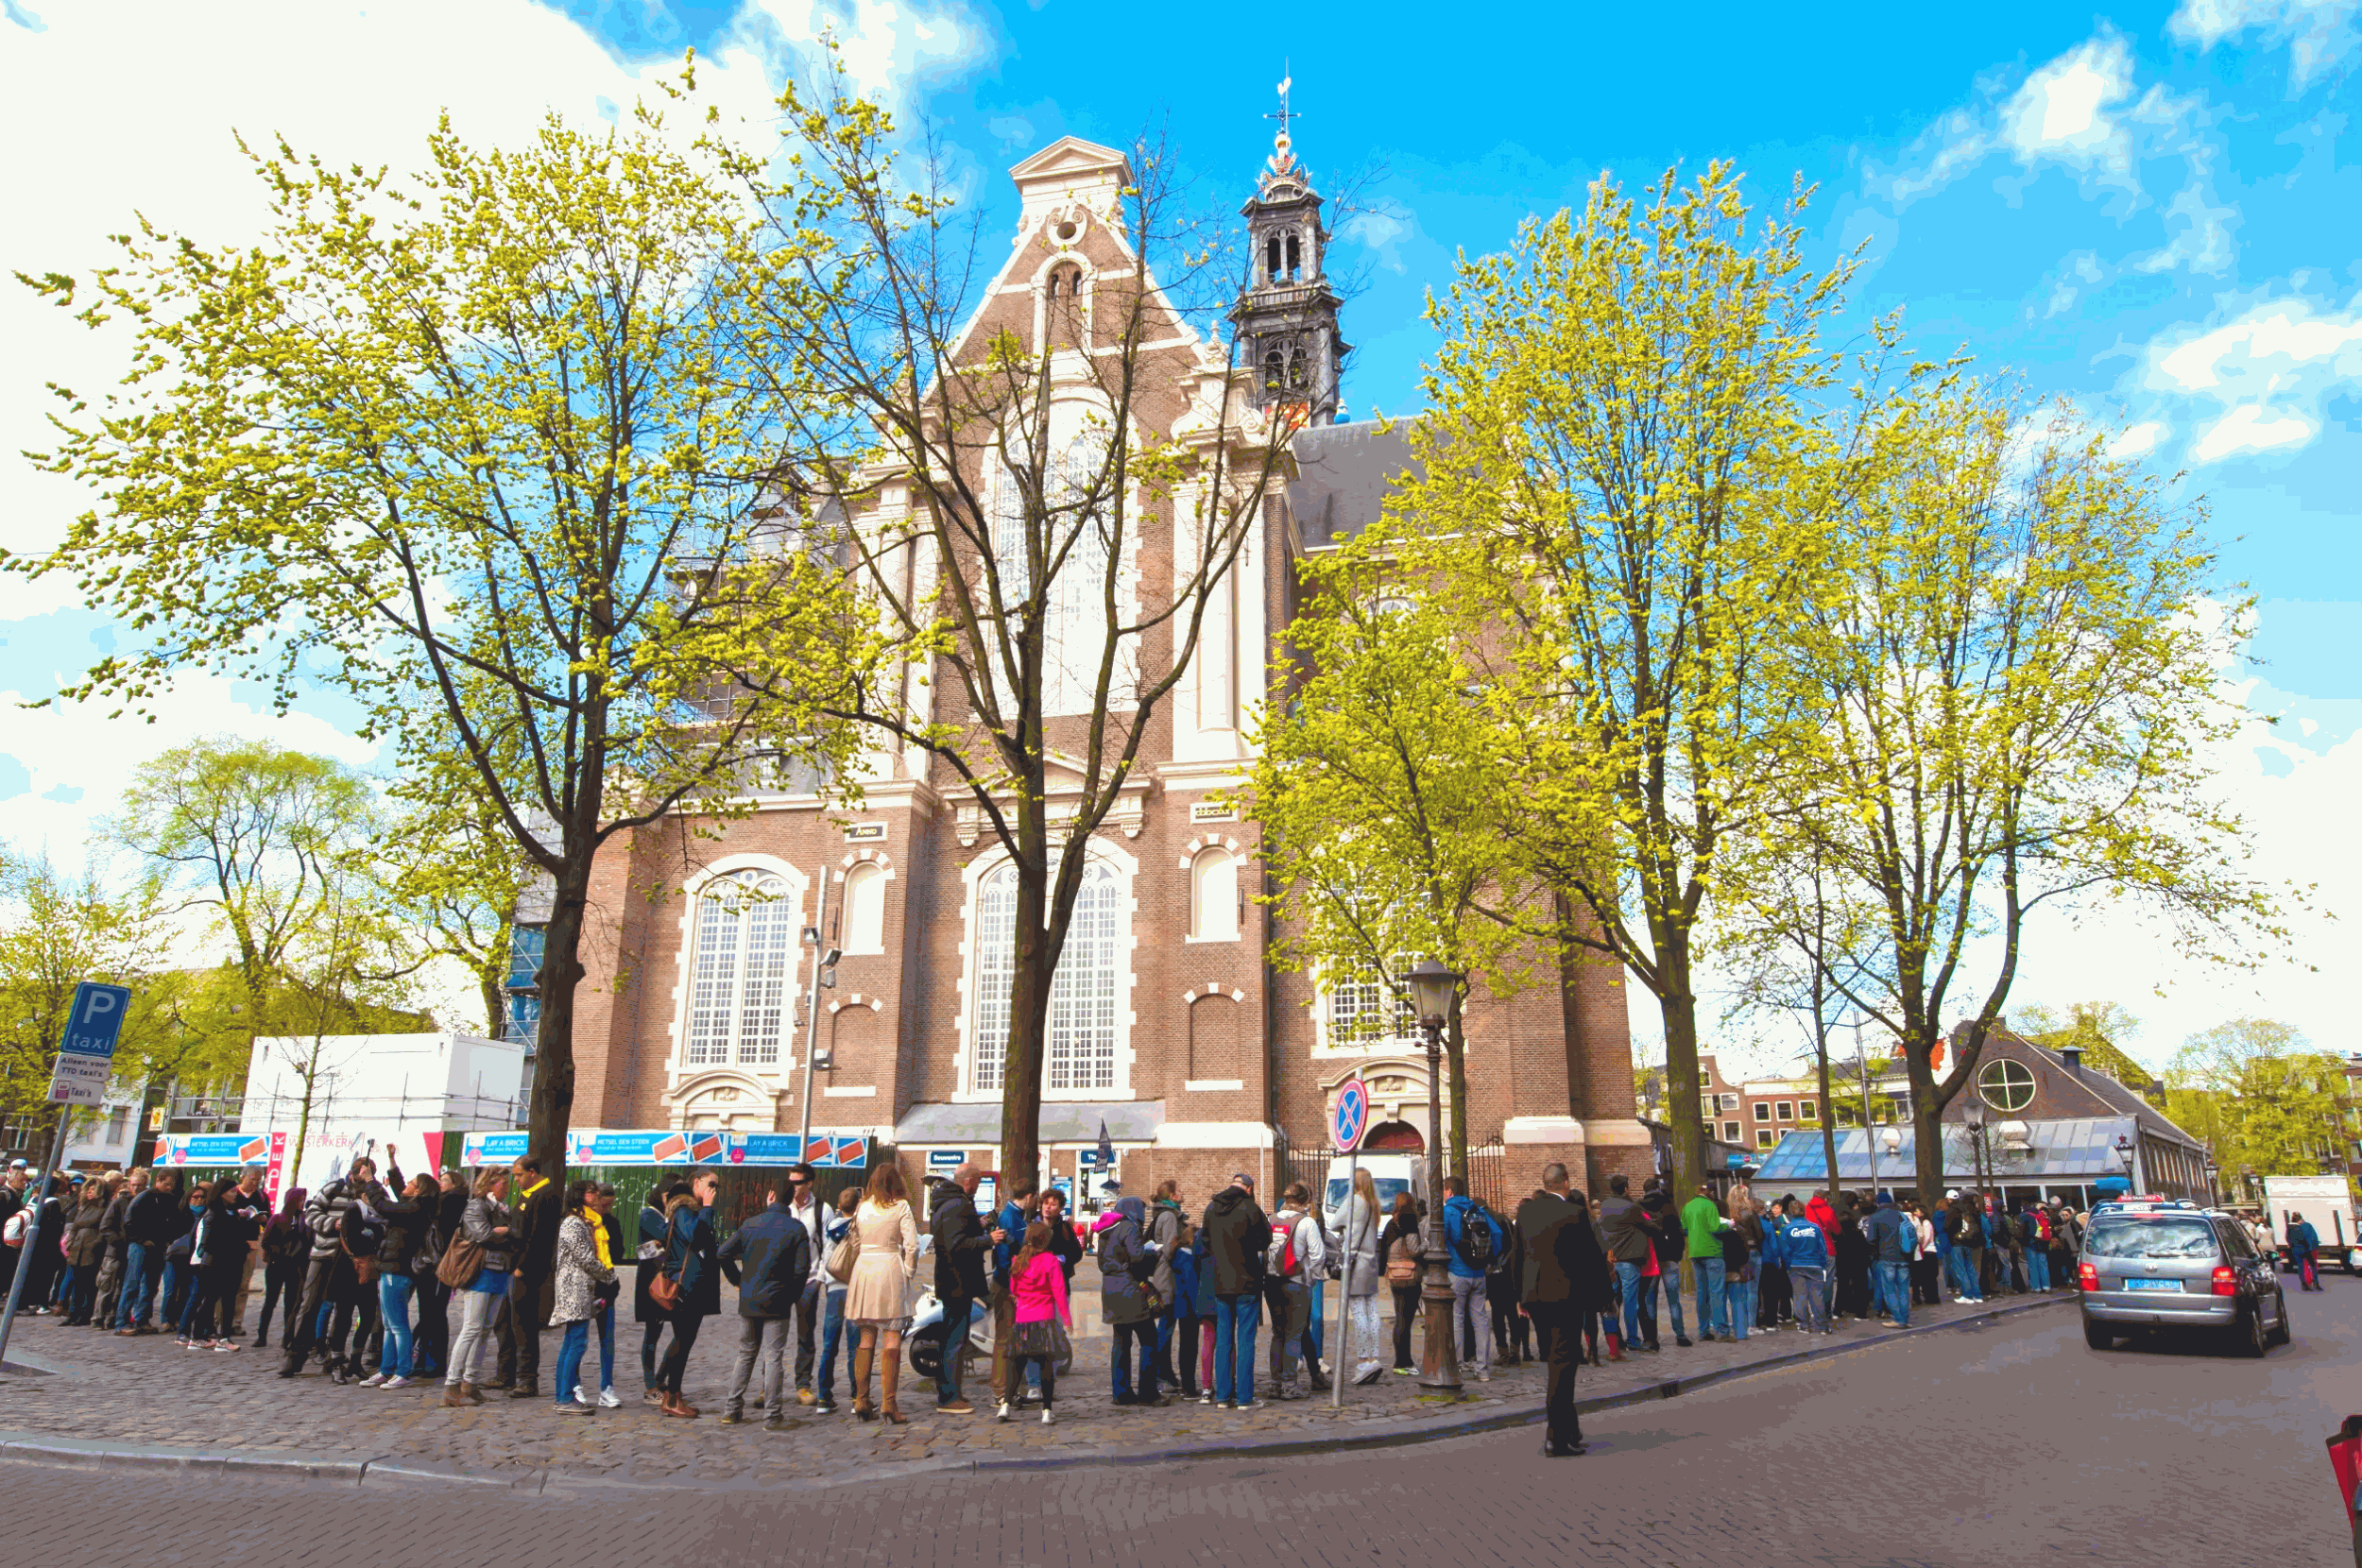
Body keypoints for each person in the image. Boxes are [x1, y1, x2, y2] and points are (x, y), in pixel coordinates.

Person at [1515, 1164, 1613, 1457]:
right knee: (1563, 1365)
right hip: (1564, 1297)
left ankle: (1570, 1429)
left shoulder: (1526, 1212)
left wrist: (1520, 1297)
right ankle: (1556, 1437)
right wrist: (1605, 1298)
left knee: (1558, 1362)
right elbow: (1590, 1258)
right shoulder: (1573, 1214)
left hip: (1535, 1297)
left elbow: (1518, 1256)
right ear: (1566, 1183)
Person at [716, 1178, 813, 1427]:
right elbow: (802, 1270)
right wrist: (791, 1295)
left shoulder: (750, 1224)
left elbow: (723, 1253)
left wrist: (737, 1281)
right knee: (773, 1357)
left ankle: (732, 1409)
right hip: (778, 1301)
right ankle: (771, 1416)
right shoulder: (796, 1228)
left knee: (746, 1354)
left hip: (749, 1299)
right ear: (791, 1198)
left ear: (770, 1195)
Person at [845, 1161, 919, 1424]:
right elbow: (912, 1245)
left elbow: (853, 1242)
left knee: (866, 1337)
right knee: (892, 1337)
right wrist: (908, 1273)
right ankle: (889, 1403)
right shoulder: (901, 1207)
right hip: (889, 1269)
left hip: (864, 1270)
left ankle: (862, 1399)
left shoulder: (862, 1208)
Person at [924, 1162, 996, 1416]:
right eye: (976, 1182)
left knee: (951, 1337)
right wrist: (989, 1239)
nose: (977, 1187)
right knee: (955, 1339)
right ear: (968, 1182)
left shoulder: (945, 1203)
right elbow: (957, 1244)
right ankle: (949, 1396)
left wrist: (979, 1224)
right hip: (958, 1282)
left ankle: (950, 1392)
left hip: (949, 1280)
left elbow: (955, 1234)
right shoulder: (959, 1204)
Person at [441, 1167, 515, 1406]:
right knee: (471, 1328)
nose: (507, 1187)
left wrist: (506, 1232)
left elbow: (506, 1235)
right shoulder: (477, 1206)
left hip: (499, 1271)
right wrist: (509, 1233)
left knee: (485, 1329)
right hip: (480, 1271)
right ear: (490, 1184)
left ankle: (469, 1383)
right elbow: (483, 1235)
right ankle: (451, 1384)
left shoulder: (501, 1208)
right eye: (503, 1183)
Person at [551, 1179, 622, 1414]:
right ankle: (564, 1396)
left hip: (581, 1287)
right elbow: (586, 1258)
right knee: (577, 1344)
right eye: (592, 1191)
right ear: (580, 1194)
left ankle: (564, 1394)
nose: (596, 1195)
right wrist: (609, 1277)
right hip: (575, 1289)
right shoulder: (573, 1222)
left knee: (572, 1342)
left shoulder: (584, 1221)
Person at [492, 1154, 559, 1400]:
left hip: (527, 1270)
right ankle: (505, 1373)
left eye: (519, 1175)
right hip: (514, 1265)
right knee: (504, 1322)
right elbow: (522, 1226)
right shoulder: (526, 1194)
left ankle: (527, 1380)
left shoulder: (545, 1195)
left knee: (523, 1326)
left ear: (532, 1172)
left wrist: (523, 1265)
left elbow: (539, 1237)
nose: (516, 1180)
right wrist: (509, 1229)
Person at [655, 1169, 722, 1418]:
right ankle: (671, 1396)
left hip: (694, 1286)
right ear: (697, 1183)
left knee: (684, 1340)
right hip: (685, 1287)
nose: (714, 1189)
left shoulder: (691, 1210)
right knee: (683, 1341)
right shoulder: (684, 1209)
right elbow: (694, 1235)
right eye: (711, 1184)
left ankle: (671, 1391)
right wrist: (706, 1207)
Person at [360, 1171, 436, 1388]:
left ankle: (402, 1371)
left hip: (398, 1270)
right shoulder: (412, 1206)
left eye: (412, 1183)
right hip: (390, 1268)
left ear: (419, 1190)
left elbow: (384, 1206)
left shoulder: (415, 1209)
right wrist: (392, 1165)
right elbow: (397, 1192)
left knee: (398, 1325)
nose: (407, 1185)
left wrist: (370, 1182)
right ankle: (386, 1369)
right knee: (389, 1323)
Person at [1201, 1171, 1268, 1410]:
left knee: (1223, 1340)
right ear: (1248, 1188)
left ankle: (1223, 1397)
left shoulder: (1211, 1208)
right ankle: (1244, 1398)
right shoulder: (1251, 1209)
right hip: (1247, 1281)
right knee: (1246, 1340)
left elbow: (1205, 1241)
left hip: (1220, 1282)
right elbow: (1265, 1240)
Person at [1001, 1219, 1071, 1425]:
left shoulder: (1018, 1260)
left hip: (1022, 1320)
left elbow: (1013, 1290)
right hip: (1044, 1319)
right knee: (1045, 1365)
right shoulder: (1050, 1261)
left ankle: (1005, 1405)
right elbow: (1059, 1291)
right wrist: (1067, 1320)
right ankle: (1047, 1410)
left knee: (1017, 1364)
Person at [1095, 1192, 1162, 1405]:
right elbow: (1137, 1257)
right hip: (1130, 1289)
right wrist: (1152, 1252)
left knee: (1121, 1342)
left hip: (1111, 1290)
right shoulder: (1129, 1227)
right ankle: (1148, 1391)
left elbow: (1101, 1263)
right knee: (1149, 1340)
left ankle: (1121, 1392)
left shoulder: (1106, 1230)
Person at [1439, 1177, 1503, 1379]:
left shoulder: (1447, 1211)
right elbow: (1498, 1234)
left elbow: (1441, 1239)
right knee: (1481, 1320)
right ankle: (1482, 1369)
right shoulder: (1477, 1210)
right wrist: (1490, 1260)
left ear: (1448, 1191)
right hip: (1479, 1273)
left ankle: (1457, 1365)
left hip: (1457, 1272)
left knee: (1457, 1319)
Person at [987, 1177, 1038, 1409]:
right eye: (1035, 1198)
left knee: (1012, 1339)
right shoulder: (1010, 1217)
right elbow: (1006, 1255)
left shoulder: (1015, 1215)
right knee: (1004, 1338)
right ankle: (1000, 1391)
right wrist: (1013, 1286)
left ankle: (1008, 1388)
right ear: (1028, 1197)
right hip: (1007, 1285)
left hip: (1011, 1284)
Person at [1596, 1173, 1658, 1352]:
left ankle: (1616, 1338)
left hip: (1612, 1260)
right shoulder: (1631, 1207)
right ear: (1625, 1188)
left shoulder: (1605, 1206)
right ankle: (1633, 1339)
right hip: (1629, 1259)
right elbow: (1649, 1226)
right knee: (1631, 1302)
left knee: (1614, 1301)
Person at [813, 1185, 861, 1413]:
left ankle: (824, 1396)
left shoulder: (830, 1226)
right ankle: (856, 1395)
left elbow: (826, 1257)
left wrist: (821, 1281)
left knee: (829, 1345)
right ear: (858, 1204)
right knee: (855, 1346)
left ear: (839, 1206)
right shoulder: (861, 1226)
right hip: (855, 1287)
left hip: (834, 1288)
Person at [781, 1163, 827, 1407]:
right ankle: (771, 1386)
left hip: (808, 1280)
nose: (793, 1186)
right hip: (781, 1281)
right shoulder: (782, 1208)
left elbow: (829, 1246)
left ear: (809, 1183)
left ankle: (803, 1384)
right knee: (774, 1334)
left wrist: (819, 1279)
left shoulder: (821, 1210)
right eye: (790, 1181)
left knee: (805, 1335)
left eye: (797, 1182)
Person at [634, 1180, 683, 1403]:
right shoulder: (649, 1214)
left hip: (671, 1282)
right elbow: (668, 1236)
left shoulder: (664, 1215)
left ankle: (661, 1376)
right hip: (654, 1285)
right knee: (652, 1334)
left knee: (682, 1334)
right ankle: (650, 1386)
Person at [1340, 1167, 1384, 1386]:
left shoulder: (1353, 1201)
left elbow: (1334, 1222)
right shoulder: (1374, 1203)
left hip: (1356, 1262)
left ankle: (1363, 1360)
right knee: (1372, 1310)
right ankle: (1374, 1356)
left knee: (1358, 1313)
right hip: (1371, 1261)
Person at [251, 1187, 308, 1349]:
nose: (302, 1203)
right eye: (300, 1200)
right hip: (277, 1265)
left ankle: (288, 1337)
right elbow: (266, 1241)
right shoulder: (278, 1219)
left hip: (295, 1267)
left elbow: (308, 1240)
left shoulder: (304, 1219)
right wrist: (280, 1251)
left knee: (291, 1303)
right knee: (270, 1301)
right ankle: (261, 1336)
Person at [1146, 1179, 1187, 1397]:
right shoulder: (1169, 1216)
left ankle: (1167, 1374)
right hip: (1168, 1278)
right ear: (1171, 1195)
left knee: (1166, 1327)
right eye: (1178, 1190)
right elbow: (1171, 1249)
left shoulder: (1162, 1214)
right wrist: (1186, 1240)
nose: (1181, 1193)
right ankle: (1162, 1375)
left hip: (1164, 1276)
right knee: (1166, 1329)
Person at [1637, 1177, 1688, 1347]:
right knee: (1673, 1298)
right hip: (1671, 1256)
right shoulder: (1668, 1205)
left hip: (1652, 1257)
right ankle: (1680, 1334)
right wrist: (1678, 1252)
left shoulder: (1640, 1207)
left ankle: (1652, 1337)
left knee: (1649, 1298)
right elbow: (1678, 1231)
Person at [1772, 1196, 1832, 1334]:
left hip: (1796, 1265)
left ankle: (1804, 1325)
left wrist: (1788, 1265)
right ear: (1804, 1211)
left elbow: (1784, 1251)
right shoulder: (1814, 1227)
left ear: (1791, 1213)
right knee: (1817, 1295)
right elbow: (1822, 1249)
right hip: (1815, 1264)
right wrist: (1822, 1265)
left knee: (1800, 1295)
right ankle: (1822, 1326)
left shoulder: (1787, 1229)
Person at [1378, 1191, 1424, 1373]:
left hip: (1394, 1275)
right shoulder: (1409, 1220)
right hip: (1410, 1276)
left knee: (1400, 1319)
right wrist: (1428, 1245)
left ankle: (1401, 1360)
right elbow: (1413, 1249)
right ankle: (1403, 1362)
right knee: (1406, 1320)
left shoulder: (1390, 1223)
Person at [1860, 1190, 1913, 1328]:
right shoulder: (1901, 1216)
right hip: (1904, 1256)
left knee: (1889, 1289)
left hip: (1885, 1257)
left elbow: (1871, 1240)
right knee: (1903, 1289)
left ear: (1878, 1203)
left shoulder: (1876, 1217)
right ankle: (1905, 1318)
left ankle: (1898, 1319)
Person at [1681, 1184, 1726, 1341]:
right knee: (1717, 1292)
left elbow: (1684, 1229)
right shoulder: (1709, 1205)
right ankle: (1721, 1330)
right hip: (1712, 1251)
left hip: (1695, 1251)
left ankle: (1703, 1330)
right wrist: (1728, 1226)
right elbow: (1715, 1227)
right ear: (1709, 1192)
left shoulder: (1688, 1207)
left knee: (1701, 1293)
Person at [61, 1178, 109, 1326]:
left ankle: (84, 1314)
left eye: (93, 1189)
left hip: (92, 1250)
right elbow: (75, 1227)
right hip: (77, 1250)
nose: (89, 1192)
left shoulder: (104, 1208)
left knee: (88, 1284)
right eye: (88, 1189)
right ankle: (72, 1313)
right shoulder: (84, 1207)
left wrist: (96, 1244)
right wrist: (70, 1243)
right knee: (76, 1283)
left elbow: (103, 1230)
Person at [1720, 1203, 1759, 1340]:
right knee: (1738, 1302)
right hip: (1736, 1271)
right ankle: (1741, 1332)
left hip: (1720, 1271)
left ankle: (1722, 1331)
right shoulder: (1739, 1232)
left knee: (1720, 1302)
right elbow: (1745, 1254)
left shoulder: (1716, 1235)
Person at [1944, 1193, 1985, 1304]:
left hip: (1956, 1242)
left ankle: (1967, 1295)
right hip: (1969, 1242)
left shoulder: (1953, 1209)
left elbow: (1947, 1226)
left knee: (1960, 1269)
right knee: (1971, 1268)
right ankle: (1977, 1295)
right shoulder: (1971, 1210)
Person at [2288, 1212, 2324, 1291]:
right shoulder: (2306, 1226)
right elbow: (2311, 1237)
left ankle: (2305, 1284)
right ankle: (2315, 1283)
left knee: (2302, 1267)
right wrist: (2312, 1247)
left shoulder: (2290, 1227)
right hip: (2307, 1249)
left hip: (2296, 1250)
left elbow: (2288, 1238)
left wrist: (2292, 1246)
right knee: (2313, 1265)